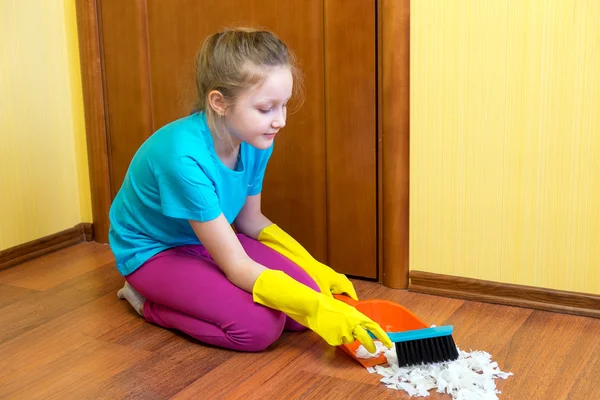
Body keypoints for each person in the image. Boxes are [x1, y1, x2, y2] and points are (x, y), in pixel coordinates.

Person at [109, 27, 392, 354]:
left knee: (300, 313)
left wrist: (316, 270)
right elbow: (236, 265)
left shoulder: (255, 140)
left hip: (209, 240)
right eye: (266, 108)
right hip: (155, 251)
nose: (280, 121)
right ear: (219, 102)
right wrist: (316, 307)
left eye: (284, 105)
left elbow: (250, 221)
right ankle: (144, 301)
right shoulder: (182, 158)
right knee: (258, 328)